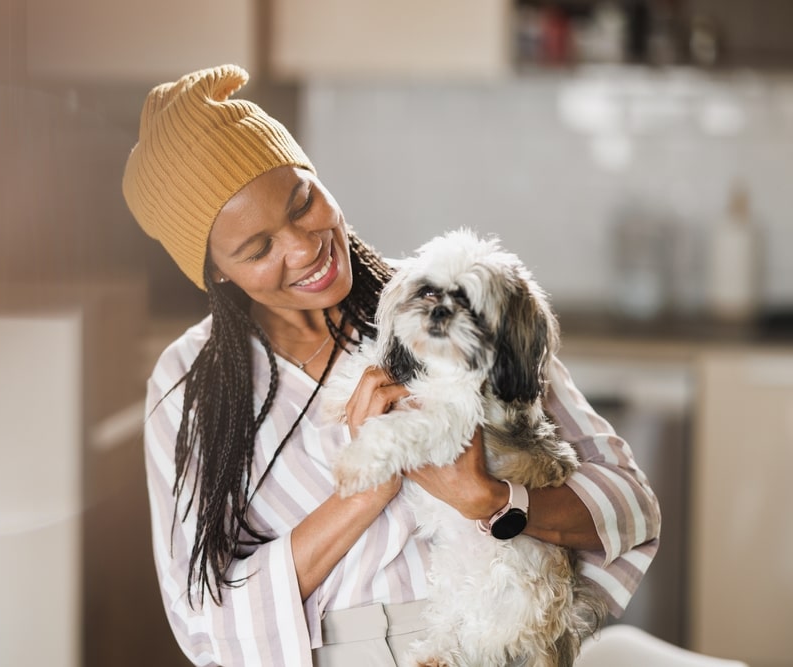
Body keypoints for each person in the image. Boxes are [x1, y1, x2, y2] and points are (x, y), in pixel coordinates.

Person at [122, 64, 660, 667]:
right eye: (258, 249)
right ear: (217, 271)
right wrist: (363, 494)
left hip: (503, 647)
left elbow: (633, 506)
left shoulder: (443, 299)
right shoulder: (188, 385)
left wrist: (494, 501)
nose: (304, 248)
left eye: (303, 202)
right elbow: (204, 623)